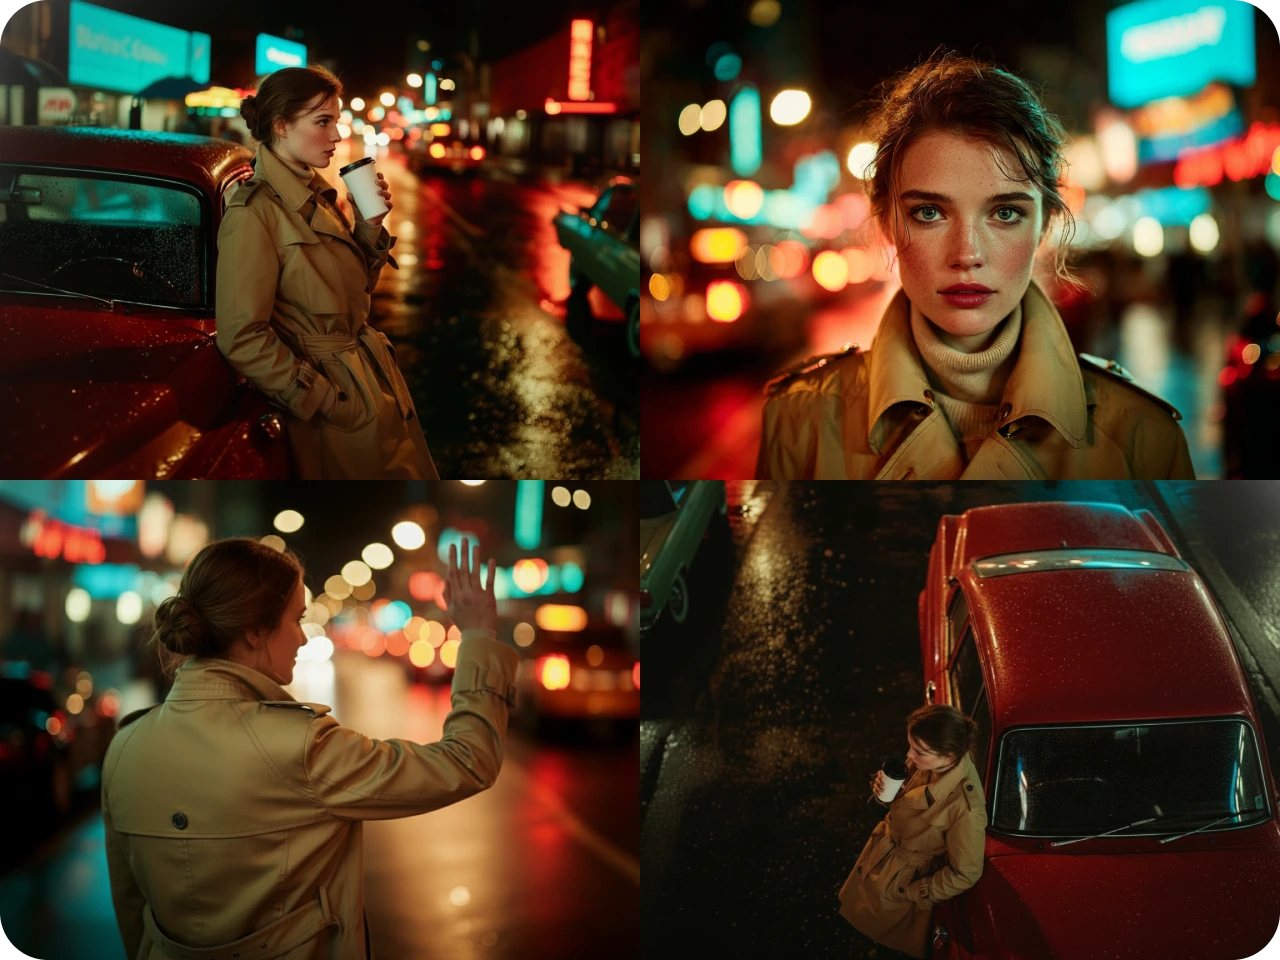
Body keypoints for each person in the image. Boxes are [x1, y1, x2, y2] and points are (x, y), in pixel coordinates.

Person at [756, 48, 1195, 480]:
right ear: (886, 223)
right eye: (929, 212)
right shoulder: (799, 421)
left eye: (1005, 213)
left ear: (1044, 226)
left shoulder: (1142, 437)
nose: (967, 255)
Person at [101, 535, 518, 960]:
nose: (302, 638)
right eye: (296, 619)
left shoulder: (123, 749)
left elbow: (134, 914)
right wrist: (479, 635)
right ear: (254, 631)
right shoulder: (302, 748)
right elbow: (468, 761)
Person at [218, 64, 440, 478]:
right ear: (281, 125)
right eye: (323, 122)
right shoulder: (254, 214)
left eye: (335, 121)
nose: (337, 135)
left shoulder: (316, 194)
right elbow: (242, 336)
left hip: (371, 383)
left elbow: (351, 293)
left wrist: (368, 226)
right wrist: (323, 398)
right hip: (336, 407)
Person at [838, 705, 987, 959]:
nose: (910, 754)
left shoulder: (966, 809)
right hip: (884, 860)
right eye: (910, 746)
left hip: (905, 884)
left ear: (949, 756)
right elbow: (908, 800)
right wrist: (887, 793)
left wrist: (915, 891)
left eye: (918, 751)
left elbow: (967, 873)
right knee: (881, 934)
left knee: (895, 945)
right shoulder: (934, 761)